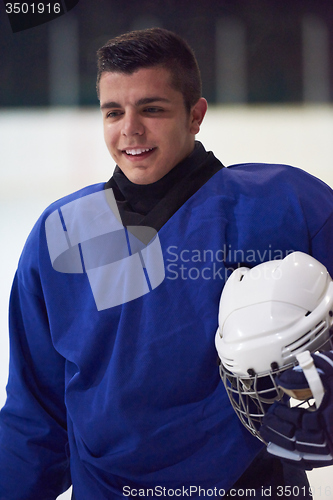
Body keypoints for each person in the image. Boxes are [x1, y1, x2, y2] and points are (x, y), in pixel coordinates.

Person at [0, 27, 332, 500]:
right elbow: (36, 414)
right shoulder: (61, 234)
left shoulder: (285, 206)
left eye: (152, 109)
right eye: (113, 112)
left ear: (196, 115)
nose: (129, 129)